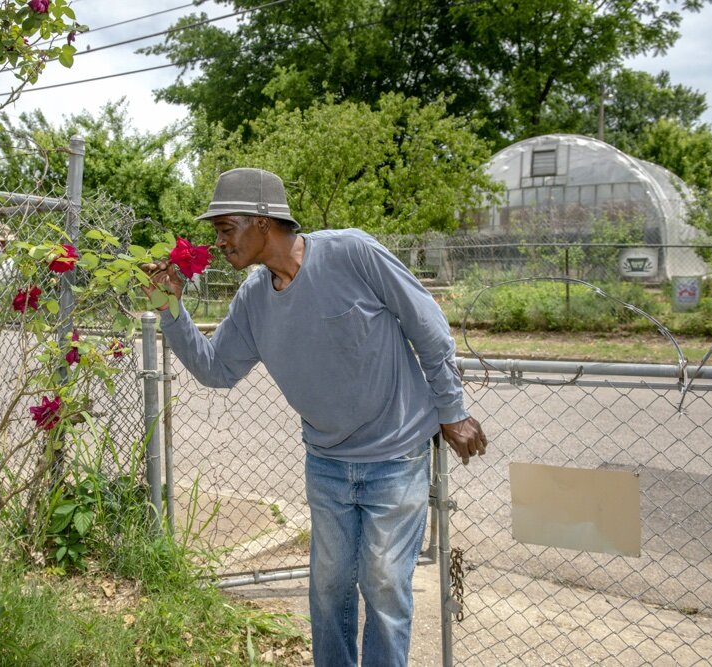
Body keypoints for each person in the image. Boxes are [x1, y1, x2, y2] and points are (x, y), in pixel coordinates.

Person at [143, 167, 486, 667]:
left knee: (385, 584)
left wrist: (452, 411)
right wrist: (168, 306)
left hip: (395, 453)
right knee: (328, 589)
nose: (217, 242)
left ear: (263, 221)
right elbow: (216, 369)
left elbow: (427, 326)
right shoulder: (254, 299)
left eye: (224, 228)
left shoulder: (352, 252)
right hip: (327, 461)